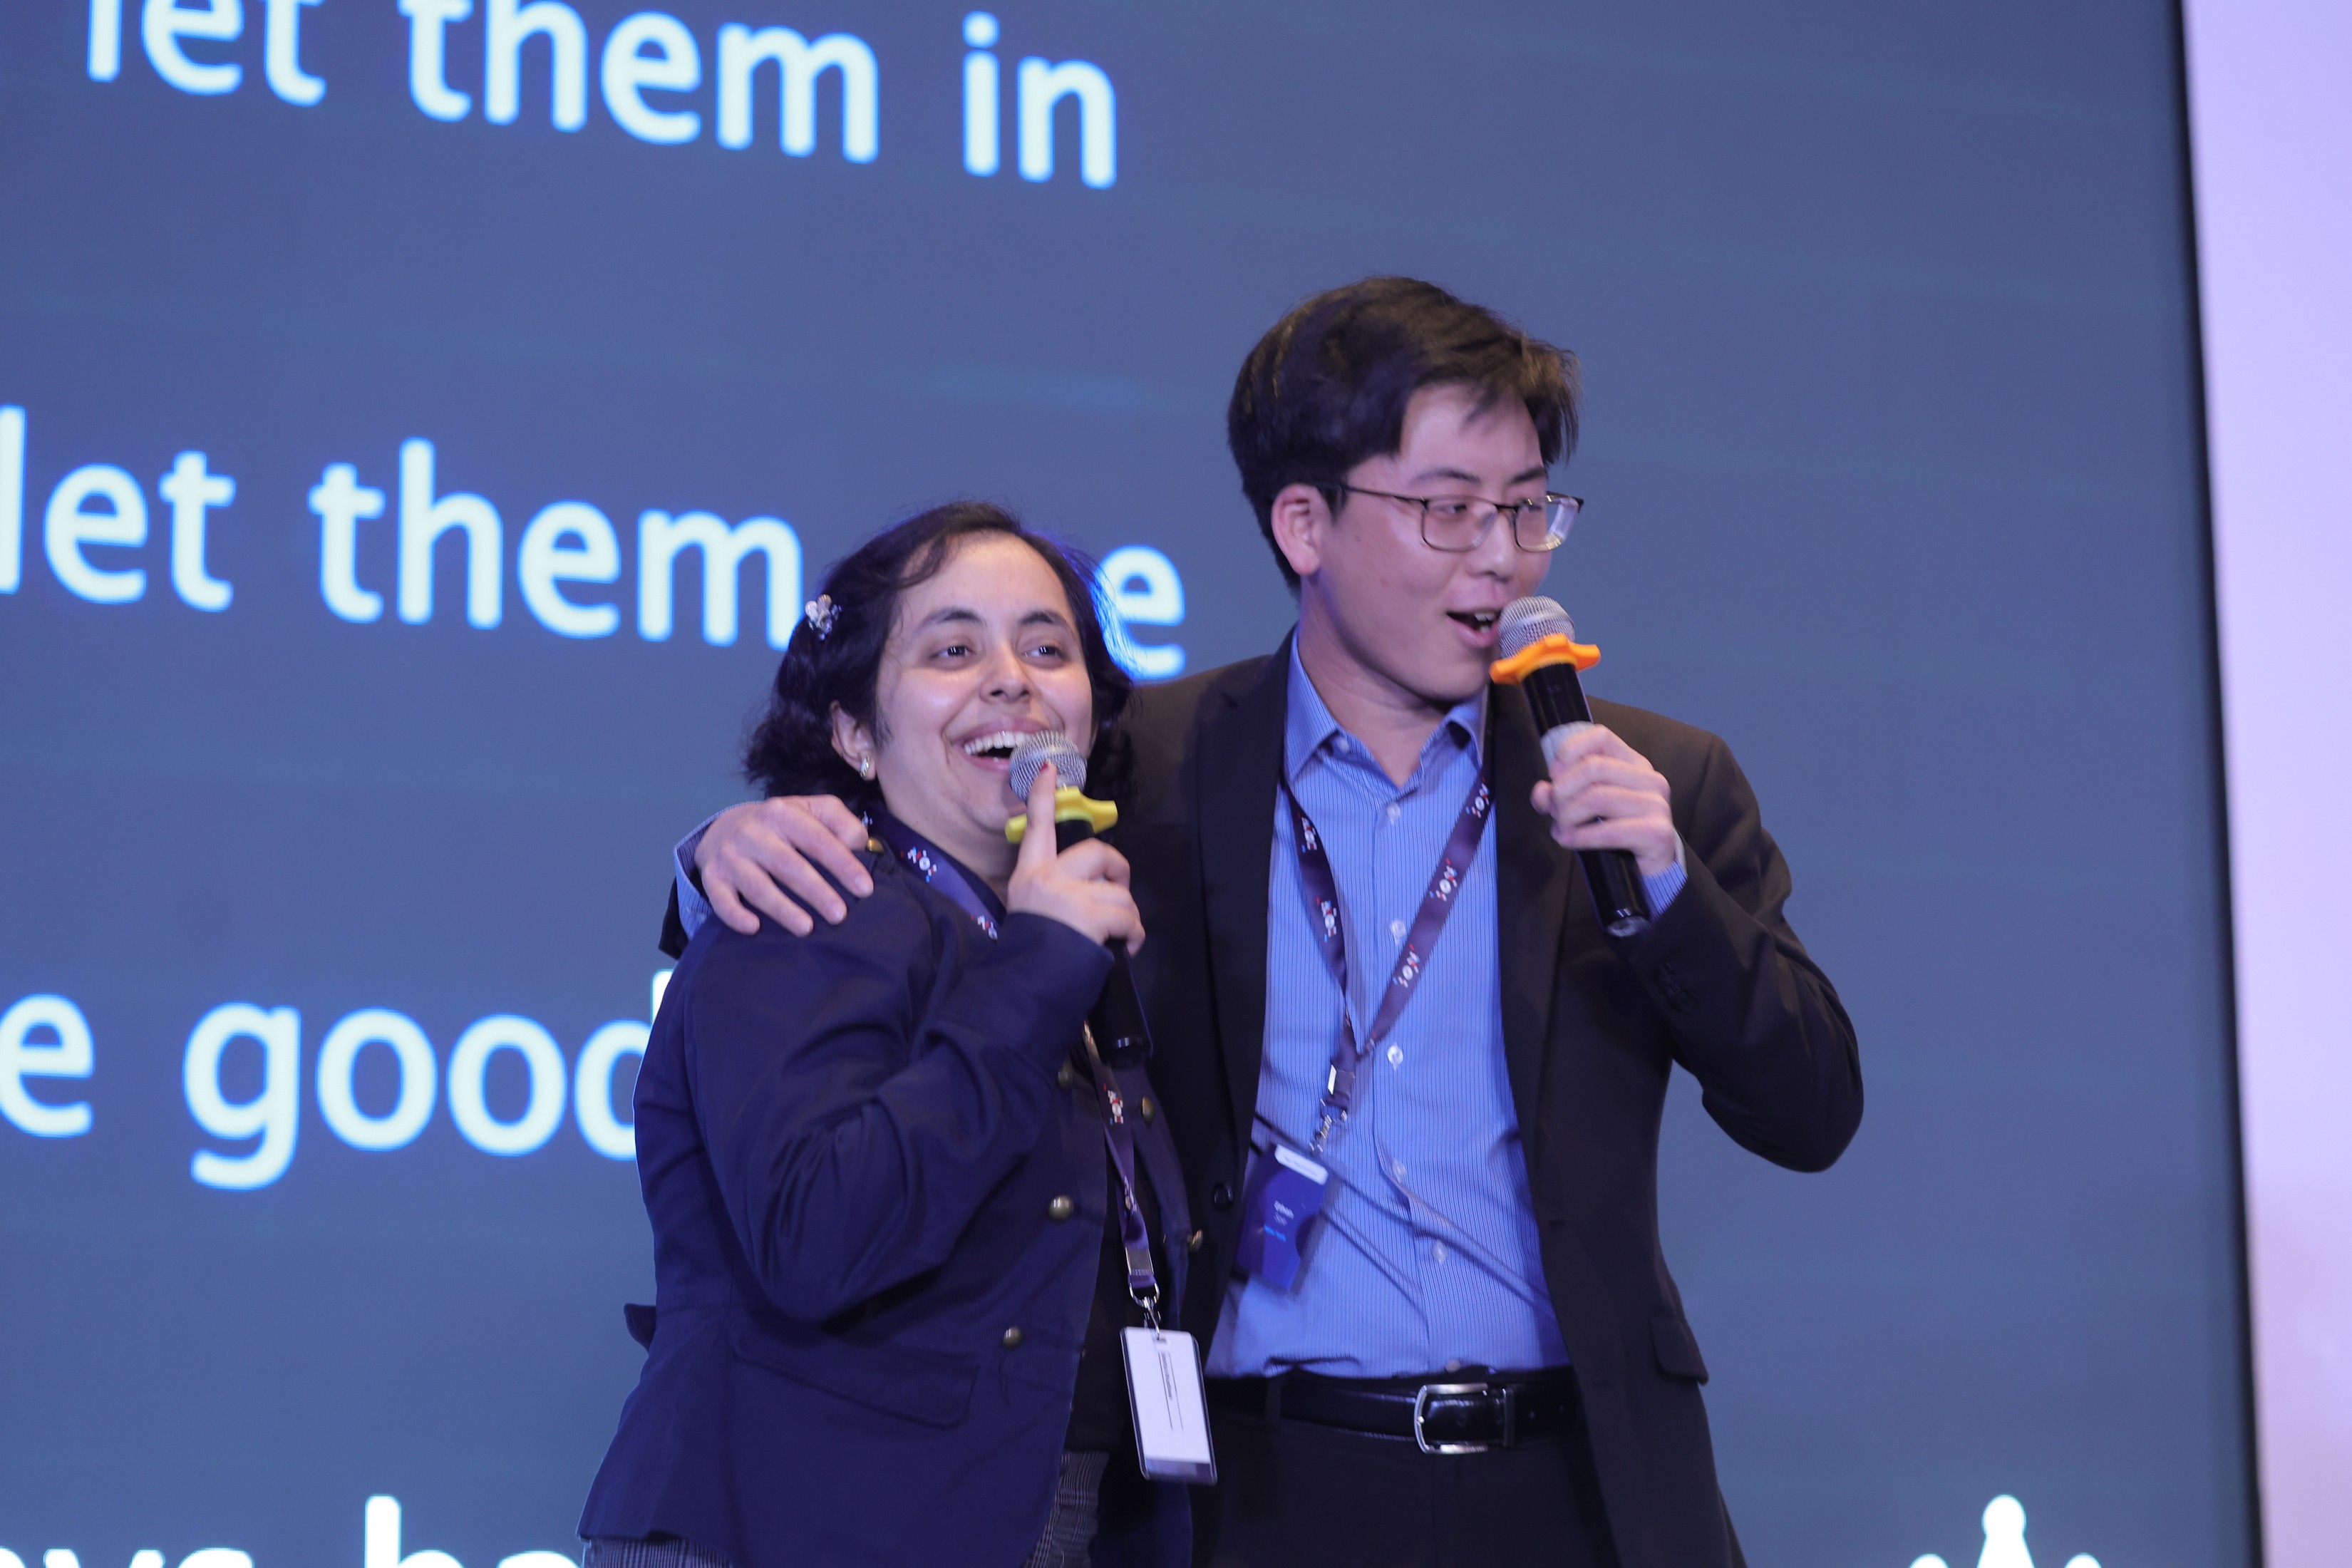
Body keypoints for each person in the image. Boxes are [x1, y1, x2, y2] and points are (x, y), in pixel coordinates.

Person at [664, 279, 1864, 1568]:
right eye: (1450, 508)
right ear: (1305, 523)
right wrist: (718, 851)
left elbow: (1811, 1111)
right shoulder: (1146, 764)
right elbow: (936, 835)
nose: (1502, 558)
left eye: (1528, 508)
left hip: (1581, 1485)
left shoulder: (1650, 781)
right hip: (1258, 1488)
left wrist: (1670, 897)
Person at [580, 502, 1195, 1568]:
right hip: (795, 1526)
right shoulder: (801, 908)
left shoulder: (1071, 923)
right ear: (855, 735)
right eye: (953, 651)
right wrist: (1040, 969)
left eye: (1048, 649)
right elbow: (817, 1238)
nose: (1012, 680)